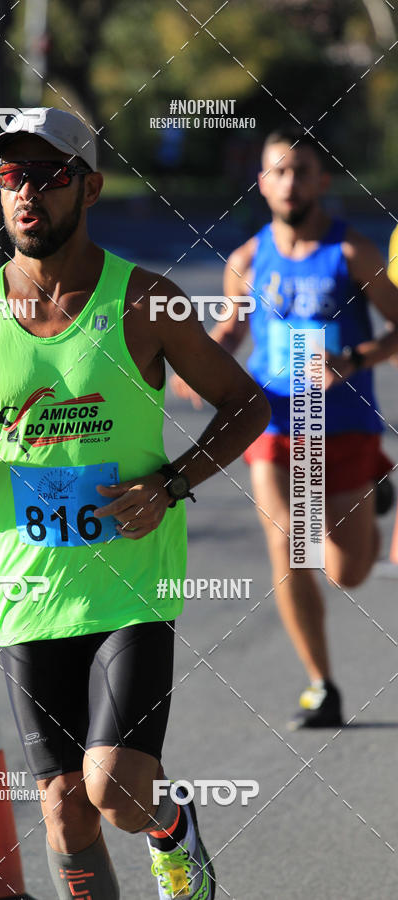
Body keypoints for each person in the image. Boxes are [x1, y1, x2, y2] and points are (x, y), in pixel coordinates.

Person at [0, 106, 270, 899]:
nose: (26, 194)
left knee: (114, 792)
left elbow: (247, 404)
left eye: (49, 176)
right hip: (32, 599)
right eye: (12, 177)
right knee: (66, 818)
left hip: (130, 590)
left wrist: (174, 481)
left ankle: (174, 830)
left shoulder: (146, 300)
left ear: (90, 186)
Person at [172, 126, 398, 730]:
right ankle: (321, 684)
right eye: (278, 171)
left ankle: (374, 494)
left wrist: (350, 361)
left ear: (322, 182)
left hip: (345, 422)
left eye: (301, 171)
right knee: (287, 540)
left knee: (346, 571)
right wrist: (194, 360)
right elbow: (231, 331)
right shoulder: (247, 260)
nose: (290, 182)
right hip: (271, 418)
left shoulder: (354, 254)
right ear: (262, 183)